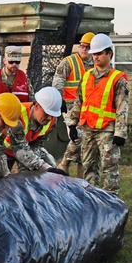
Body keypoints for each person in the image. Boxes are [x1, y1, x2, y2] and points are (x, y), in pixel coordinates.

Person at [67, 34, 129, 194]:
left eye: (99, 53)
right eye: (94, 54)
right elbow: (79, 102)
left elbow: (122, 106)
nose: (96, 57)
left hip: (107, 130)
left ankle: (111, 203)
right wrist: (73, 123)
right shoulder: (87, 76)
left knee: (109, 168)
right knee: (88, 167)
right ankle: (91, 202)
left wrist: (120, 132)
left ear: (110, 54)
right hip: (87, 129)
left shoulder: (118, 79)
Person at [54, 32, 95, 174]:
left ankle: (79, 178)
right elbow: (58, 81)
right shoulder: (68, 62)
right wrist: (60, 100)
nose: (84, 49)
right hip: (71, 106)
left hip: (89, 108)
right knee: (78, 137)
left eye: (88, 47)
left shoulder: (96, 64)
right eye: (82, 46)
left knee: (85, 146)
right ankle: (64, 163)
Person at [4, 86, 66, 174]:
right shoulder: (18, 116)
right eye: (47, 113)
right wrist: (47, 168)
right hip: (2, 151)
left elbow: (37, 146)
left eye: (52, 115)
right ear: (36, 106)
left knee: (30, 178)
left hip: (26, 151)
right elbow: (21, 150)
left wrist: (52, 166)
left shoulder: (51, 121)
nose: (49, 118)